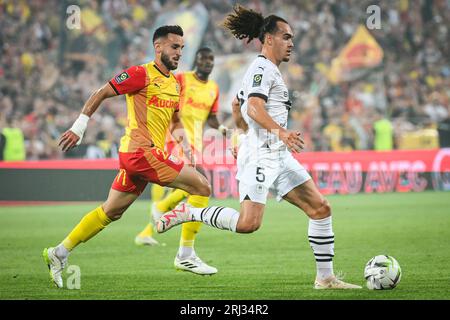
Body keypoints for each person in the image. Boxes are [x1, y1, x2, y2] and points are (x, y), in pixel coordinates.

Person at [155, 5, 362, 289]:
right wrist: (280, 132)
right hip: (263, 155)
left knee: (320, 208)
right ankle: (189, 212)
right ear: (269, 39)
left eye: (292, 38)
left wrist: (241, 136)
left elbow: (237, 104)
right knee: (248, 224)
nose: (291, 43)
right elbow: (253, 106)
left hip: (276, 153)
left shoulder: (267, 71)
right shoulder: (262, 67)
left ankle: (325, 278)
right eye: (286, 37)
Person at [42, 25, 215, 288]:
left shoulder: (174, 83)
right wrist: (79, 127)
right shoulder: (140, 73)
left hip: (140, 157)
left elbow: (176, 121)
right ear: (158, 48)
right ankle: (185, 254)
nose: (179, 53)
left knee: (110, 212)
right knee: (202, 186)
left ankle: (59, 252)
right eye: (174, 47)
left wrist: (188, 151)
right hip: (141, 152)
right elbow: (101, 92)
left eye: (182, 48)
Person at [135, 47, 228, 275]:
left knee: (198, 187)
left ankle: (159, 221)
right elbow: (168, 107)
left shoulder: (213, 89)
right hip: (174, 139)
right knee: (201, 184)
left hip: (195, 145)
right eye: (203, 59)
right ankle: (182, 247)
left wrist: (224, 129)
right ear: (195, 61)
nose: (207, 62)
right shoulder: (181, 80)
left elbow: (212, 118)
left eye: (210, 59)